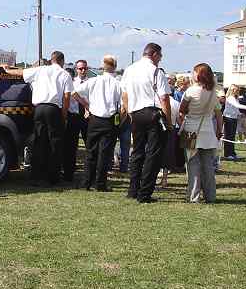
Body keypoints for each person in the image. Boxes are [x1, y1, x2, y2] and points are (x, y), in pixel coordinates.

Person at [121, 43, 171, 203]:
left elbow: (125, 94)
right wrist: (168, 121)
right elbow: (164, 98)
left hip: (136, 113)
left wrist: (130, 112)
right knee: (153, 154)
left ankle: (133, 189)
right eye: (160, 56)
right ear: (154, 54)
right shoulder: (157, 71)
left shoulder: (130, 69)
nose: (160, 60)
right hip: (153, 113)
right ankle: (145, 193)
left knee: (137, 152)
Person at [12, 51, 72, 186]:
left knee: (39, 141)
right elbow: (67, 97)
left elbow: (21, 72)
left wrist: (7, 70)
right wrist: (64, 114)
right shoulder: (65, 74)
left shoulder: (40, 70)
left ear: (51, 60)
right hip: (53, 108)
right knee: (55, 143)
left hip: (39, 108)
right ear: (62, 61)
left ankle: (36, 175)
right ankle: (53, 177)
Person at [74, 55, 121, 191]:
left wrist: (87, 105)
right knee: (104, 154)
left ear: (102, 67)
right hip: (110, 120)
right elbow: (123, 104)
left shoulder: (94, 80)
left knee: (91, 152)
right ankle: (100, 184)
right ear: (115, 67)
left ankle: (86, 182)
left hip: (94, 119)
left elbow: (74, 93)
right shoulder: (117, 83)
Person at [178, 63, 223, 203]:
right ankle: (211, 196)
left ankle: (193, 196)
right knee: (208, 166)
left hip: (191, 130)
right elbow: (218, 115)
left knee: (193, 165)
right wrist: (218, 131)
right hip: (208, 131)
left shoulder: (191, 91)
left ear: (198, 75)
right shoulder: (214, 93)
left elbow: (182, 110)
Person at [62, 59, 89, 183]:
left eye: (84, 68)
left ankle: (89, 175)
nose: (83, 70)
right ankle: (68, 174)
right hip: (74, 116)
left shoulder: (92, 82)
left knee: (90, 147)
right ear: (76, 70)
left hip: (88, 117)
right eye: (80, 68)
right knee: (70, 147)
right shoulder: (71, 83)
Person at [222, 85, 246, 161]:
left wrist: (239, 113)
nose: (238, 91)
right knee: (229, 136)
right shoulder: (230, 98)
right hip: (228, 118)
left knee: (232, 136)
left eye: (238, 90)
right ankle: (228, 154)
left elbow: (235, 108)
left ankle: (232, 153)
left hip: (234, 118)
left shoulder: (235, 98)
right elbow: (237, 105)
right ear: (233, 90)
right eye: (236, 90)